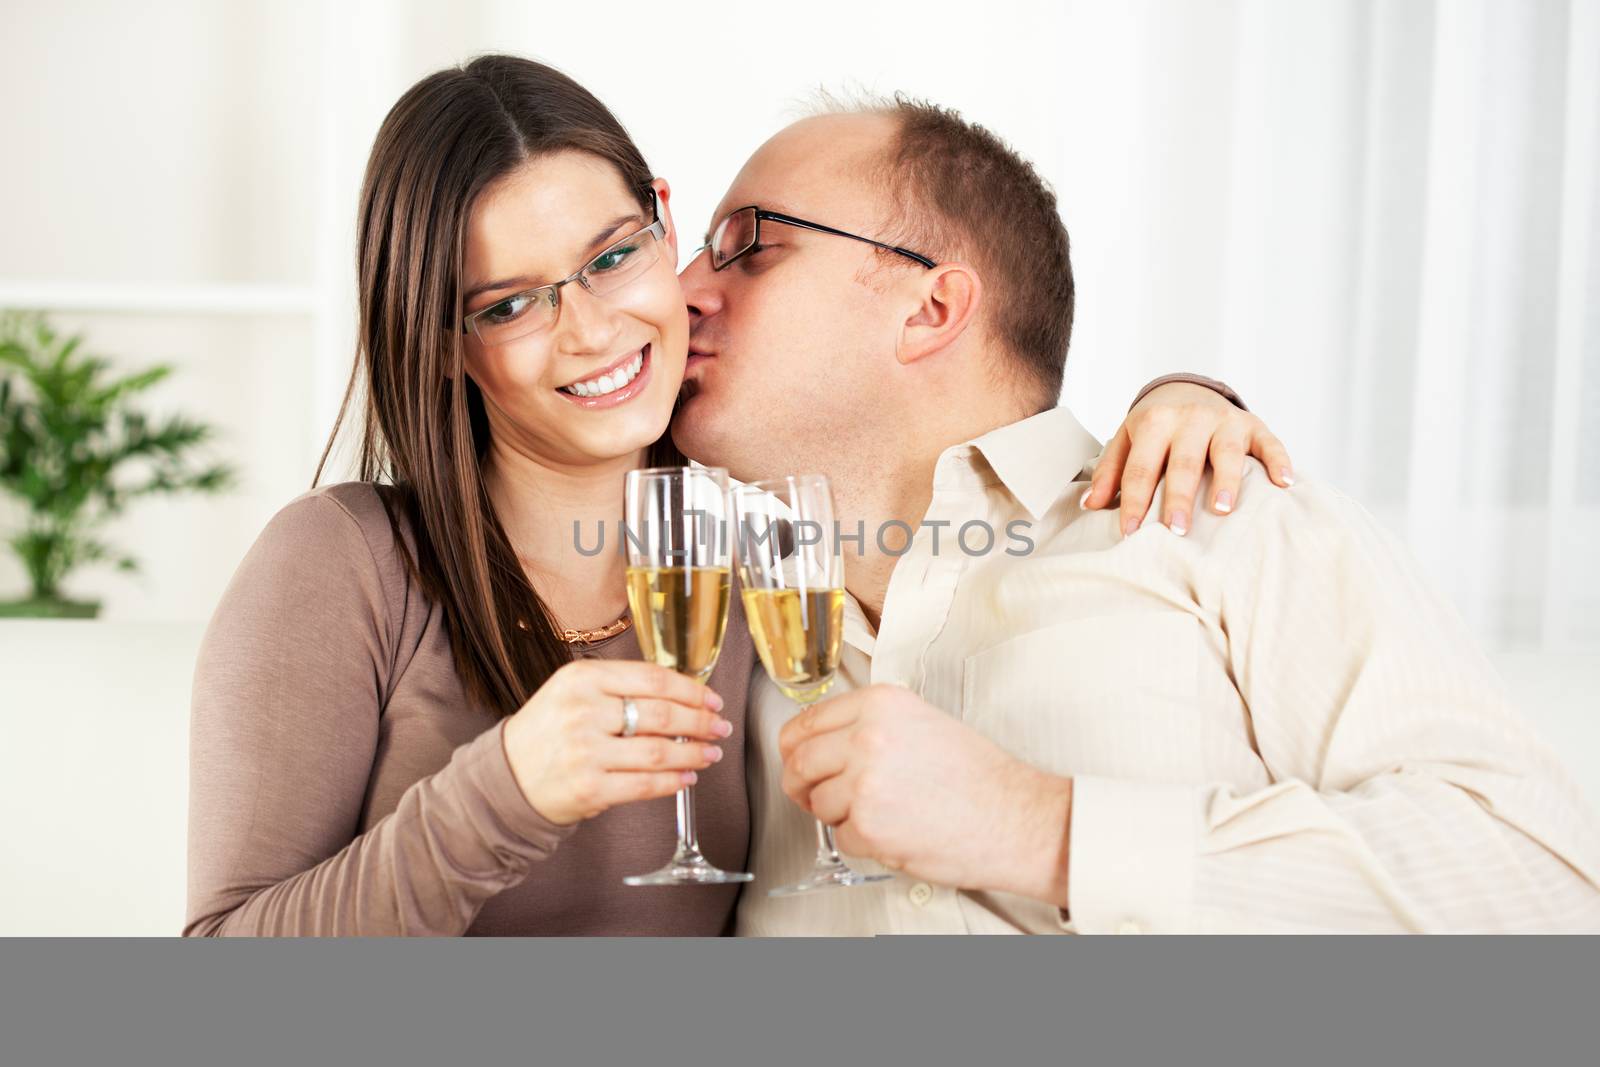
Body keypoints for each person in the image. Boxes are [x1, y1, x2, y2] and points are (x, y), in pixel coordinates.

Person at [184, 56, 1284, 936]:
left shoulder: (763, 530)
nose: (594, 330)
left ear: (664, 223)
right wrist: (501, 792)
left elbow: (952, 419)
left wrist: (1185, 394)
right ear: (440, 343)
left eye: (614, 256)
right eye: (511, 303)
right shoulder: (344, 561)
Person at [670, 99, 1600, 934]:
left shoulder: (1222, 520)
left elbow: (1545, 884)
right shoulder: (697, 611)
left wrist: (1042, 829)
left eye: (748, 245)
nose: (682, 290)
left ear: (933, 306)